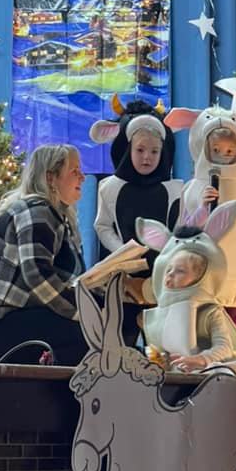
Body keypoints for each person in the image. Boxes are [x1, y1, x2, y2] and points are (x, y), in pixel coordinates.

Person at [0, 144, 88, 366]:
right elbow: (37, 276)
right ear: (50, 178)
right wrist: (86, 314)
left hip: (1, 322)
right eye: (74, 171)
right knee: (88, 334)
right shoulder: (37, 211)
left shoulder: (54, 216)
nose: (83, 177)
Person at [164, 105, 236, 332]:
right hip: (199, 285)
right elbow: (182, 235)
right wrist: (203, 209)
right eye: (216, 150)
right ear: (203, 147)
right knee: (198, 341)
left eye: (229, 151)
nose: (223, 156)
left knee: (233, 341)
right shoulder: (192, 189)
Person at [135, 201, 236, 375]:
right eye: (169, 270)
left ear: (201, 276)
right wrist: (161, 360)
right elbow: (158, 351)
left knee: (220, 374)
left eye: (180, 271)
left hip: (208, 369)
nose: (171, 275)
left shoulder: (210, 312)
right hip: (175, 374)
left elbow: (224, 347)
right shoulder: (158, 316)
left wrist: (201, 359)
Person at [90, 98, 182, 344]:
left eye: (154, 151)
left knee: (162, 344)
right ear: (128, 148)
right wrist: (123, 251)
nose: (146, 157)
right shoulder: (109, 187)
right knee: (121, 341)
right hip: (123, 278)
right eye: (140, 150)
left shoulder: (174, 190)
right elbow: (102, 225)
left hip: (161, 280)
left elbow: (178, 230)